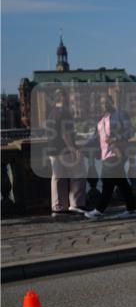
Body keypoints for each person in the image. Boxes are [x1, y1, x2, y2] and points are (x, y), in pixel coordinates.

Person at [84, 94, 136, 219]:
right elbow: (95, 137)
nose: (104, 105)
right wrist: (82, 147)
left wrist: (115, 138)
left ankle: (99, 210)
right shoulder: (101, 119)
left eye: (106, 102)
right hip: (105, 155)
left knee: (107, 182)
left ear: (111, 102)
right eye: (102, 103)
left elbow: (130, 131)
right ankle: (132, 209)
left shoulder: (120, 114)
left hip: (117, 153)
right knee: (121, 182)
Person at [45, 86, 87, 217]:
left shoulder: (51, 113)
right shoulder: (65, 112)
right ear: (62, 98)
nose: (68, 99)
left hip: (53, 150)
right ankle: (76, 204)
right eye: (67, 96)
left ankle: (58, 207)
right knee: (78, 173)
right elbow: (65, 134)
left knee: (57, 178)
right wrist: (73, 149)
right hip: (64, 150)